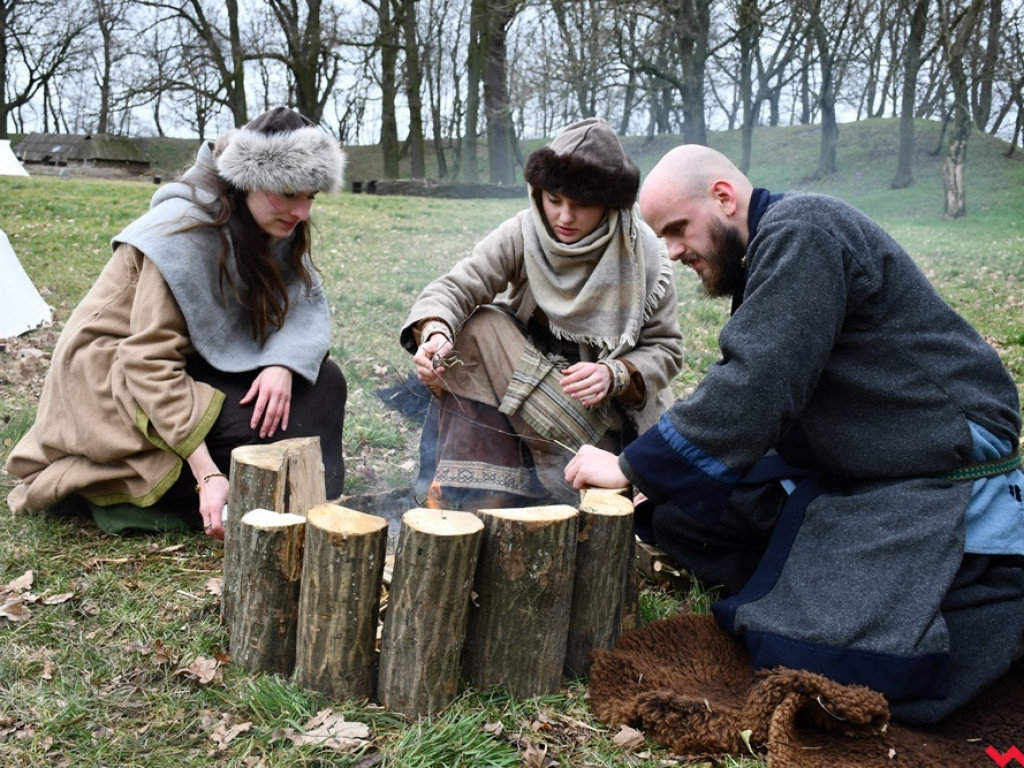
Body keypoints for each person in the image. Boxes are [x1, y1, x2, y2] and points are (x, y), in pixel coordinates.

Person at [565, 144, 1024, 726]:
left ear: (724, 198)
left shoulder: (803, 228)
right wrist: (664, 475)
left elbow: (760, 381)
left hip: (938, 442)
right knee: (680, 511)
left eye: (679, 230)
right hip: (866, 438)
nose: (675, 252)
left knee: (818, 655)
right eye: (664, 237)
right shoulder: (771, 247)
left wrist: (631, 466)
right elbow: (766, 382)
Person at [6, 106, 348, 540]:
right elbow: (147, 361)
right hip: (110, 386)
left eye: (311, 197)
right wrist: (206, 473)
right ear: (249, 180)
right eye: (289, 193)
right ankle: (128, 489)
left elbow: (302, 306)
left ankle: (293, 494)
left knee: (323, 385)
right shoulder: (181, 230)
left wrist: (281, 362)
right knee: (253, 432)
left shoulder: (271, 223)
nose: (301, 212)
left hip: (185, 367)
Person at [400, 118, 684, 509]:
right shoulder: (524, 231)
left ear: (609, 204)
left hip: (603, 429)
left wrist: (614, 374)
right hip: (522, 394)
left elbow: (665, 350)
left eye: (581, 205)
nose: (563, 218)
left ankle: (568, 490)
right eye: (554, 200)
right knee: (474, 326)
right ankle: (473, 499)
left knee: (482, 329)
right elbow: (457, 286)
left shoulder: (645, 255)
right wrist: (434, 333)